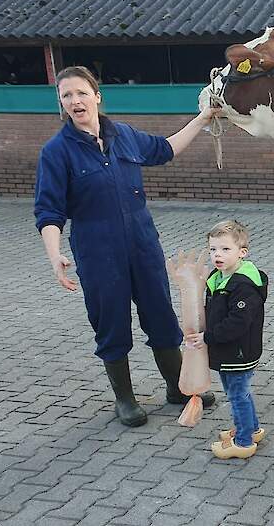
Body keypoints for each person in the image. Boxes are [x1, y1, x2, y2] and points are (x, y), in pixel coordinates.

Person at [34, 65, 218, 427]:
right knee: (111, 325)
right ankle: (125, 400)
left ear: (97, 95)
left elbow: (166, 149)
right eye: (67, 96)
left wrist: (203, 117)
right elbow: (48, 211)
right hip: (97, 252)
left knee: (163, 318)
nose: (75, 101)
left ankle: (177, 387)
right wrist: (54, 255)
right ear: (62, 103)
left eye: (81, 93)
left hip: (143, 245)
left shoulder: (125, 136)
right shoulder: (56, 152)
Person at [184, 220, 268, 459]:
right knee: (241, 392)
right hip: (228, 351)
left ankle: (242, 442)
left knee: (236, 395)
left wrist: (207, 337)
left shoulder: (243, 286)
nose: (217, 255)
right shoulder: (218, 277)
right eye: (213, 249)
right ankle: (251, 429)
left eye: (225, 249)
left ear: (242, 252)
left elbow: (237, 323)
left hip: (238, 352)